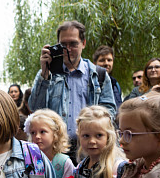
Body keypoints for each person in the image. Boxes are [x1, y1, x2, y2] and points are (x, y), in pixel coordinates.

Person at [28, 20, 116, 165]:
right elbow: (36, 109)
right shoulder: (47, 74)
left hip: (89, 148)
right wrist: (44, 76)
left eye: (73, 44)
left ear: (83, 43)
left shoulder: (98, 74)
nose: (68, 49)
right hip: (55, 149)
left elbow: (110, 112)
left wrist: (92, 127)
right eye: (63, 45)